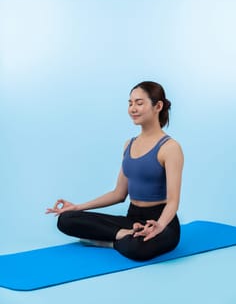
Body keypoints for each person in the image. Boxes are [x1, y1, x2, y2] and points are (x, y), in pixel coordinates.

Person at [46, 81, 184, 261]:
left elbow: (173, 202)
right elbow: (119, 193)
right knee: (66, 219)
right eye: (130, 103)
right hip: (132, 220)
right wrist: (78, 207)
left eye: (139, 103)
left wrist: (159, 225)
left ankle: (109, 240)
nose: (133, 108)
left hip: (161, 222)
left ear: (157, 106)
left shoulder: (170, 148)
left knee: (137, 248)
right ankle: (122, 235)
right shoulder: (129, 144)